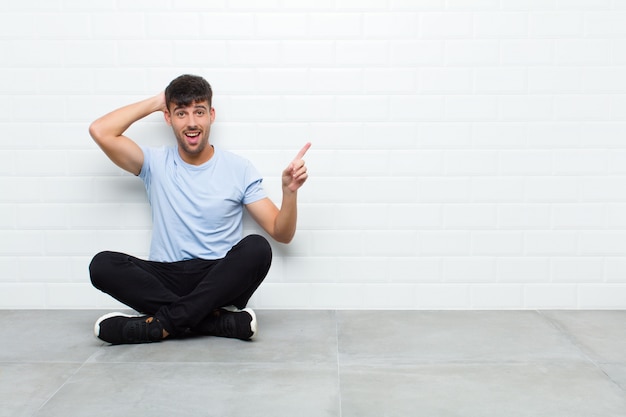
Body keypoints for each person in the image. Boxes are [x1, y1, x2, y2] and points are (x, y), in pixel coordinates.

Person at [88, 74, 310, 345]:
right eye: (181, 113)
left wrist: (289, 193)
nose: (192, 122)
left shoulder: (239, 168)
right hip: (164, 276)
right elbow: (100, 130)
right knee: (102, 265)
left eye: (199, 112)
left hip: (217, 281)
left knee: (257, 248)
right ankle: (213, 321)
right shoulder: (154, 163)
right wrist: (159, 100)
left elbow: (281, 232)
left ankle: (160, 325)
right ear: (168, 117)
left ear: (211, 115)